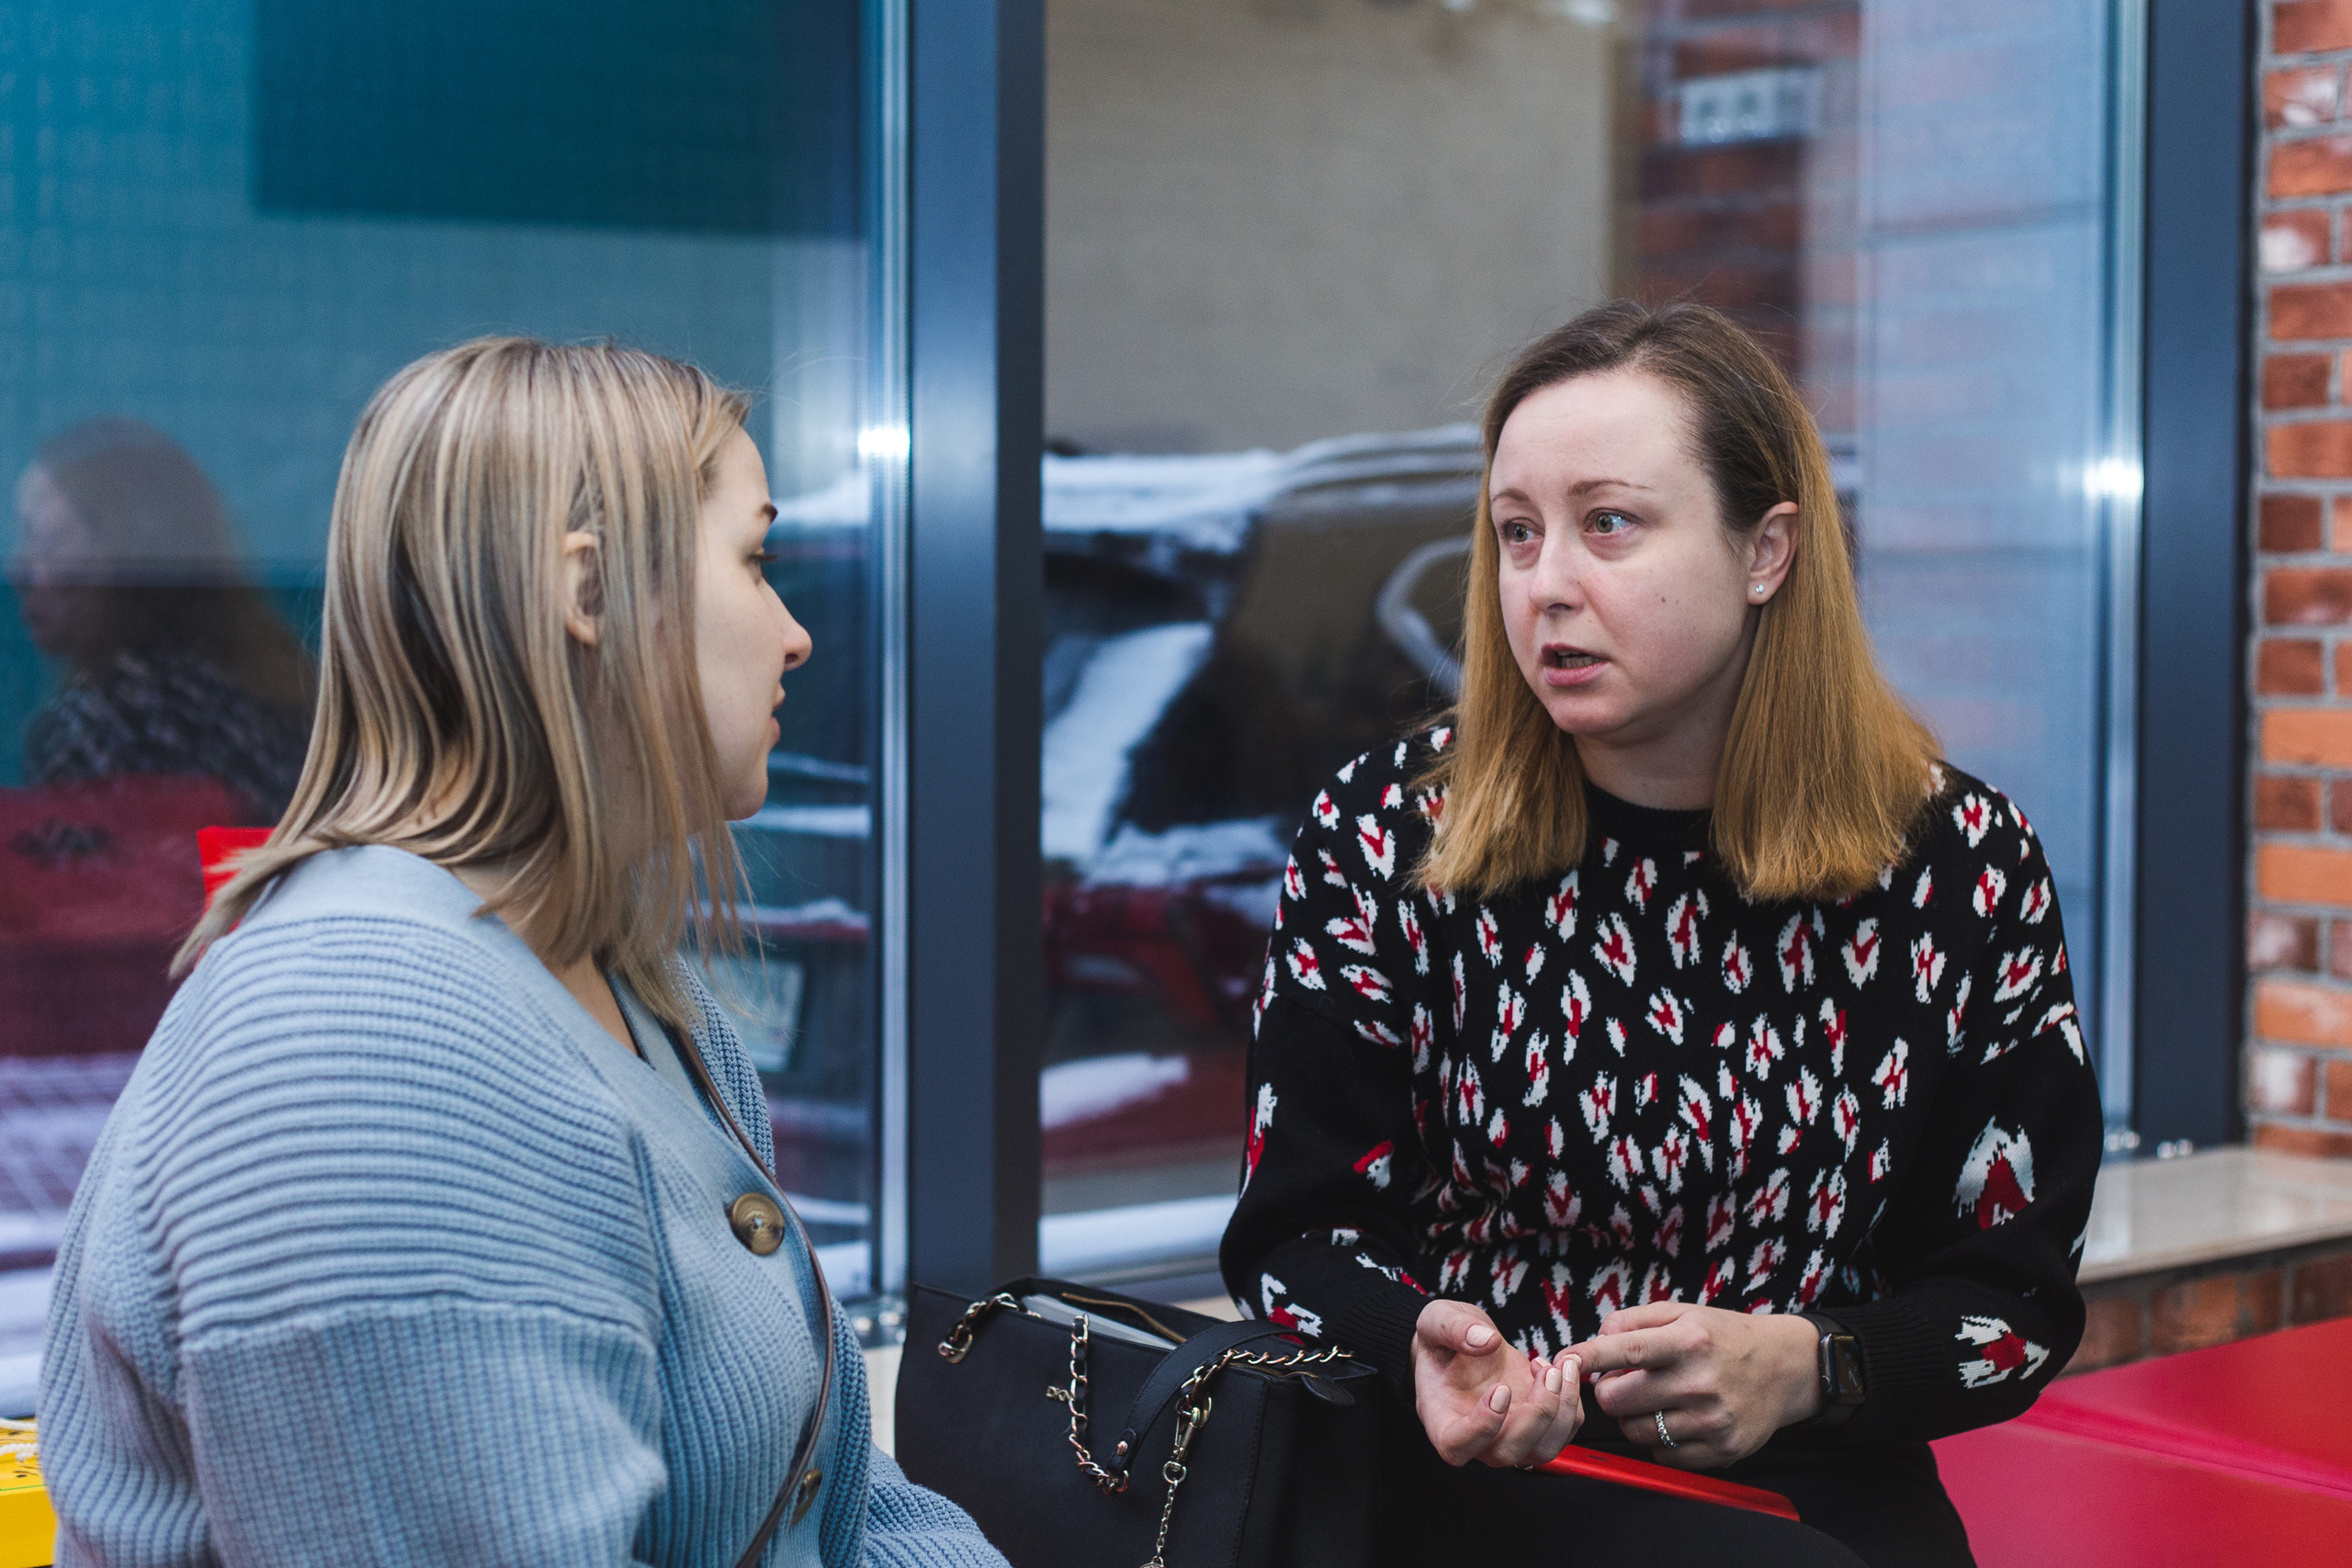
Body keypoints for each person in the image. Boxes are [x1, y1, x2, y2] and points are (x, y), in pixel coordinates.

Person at [39, 339, 1007, 1568]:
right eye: (754, 562)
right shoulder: (368, 1053)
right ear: (588, 591)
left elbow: (836, 1500)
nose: (795, 635)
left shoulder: (638, 990)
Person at [1219, 301, 2102, 1568]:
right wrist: (1415, 1339)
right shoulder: (1389, 830)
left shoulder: (1958, 861)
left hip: (1807, 1497)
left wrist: (1808, 1364)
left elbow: (2013, 1299)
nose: (1546, 584)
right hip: (1452, 1483)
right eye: (1517, 532)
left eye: (1609, 523)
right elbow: (1294, 1233)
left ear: (1766, 550)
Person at [8, 417, 314, 823]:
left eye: (44, 542)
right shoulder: (283, 697)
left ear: (121, 554)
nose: (18, 570)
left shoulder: (99, 728)